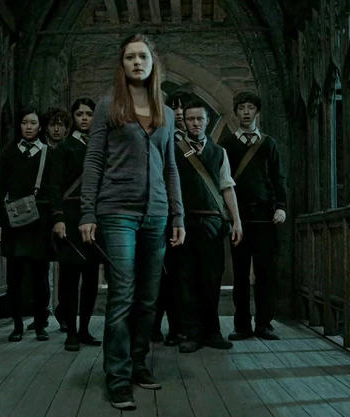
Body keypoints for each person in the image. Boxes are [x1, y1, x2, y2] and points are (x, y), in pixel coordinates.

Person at [78, 33, 185, 410]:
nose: (137, 62)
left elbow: (171, 167)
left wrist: (177, 214)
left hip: (156, 213)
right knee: (122, 293)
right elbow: (93, 161)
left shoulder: (165, 111)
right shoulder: (109, 106)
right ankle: (118, 376)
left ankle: (139, 364)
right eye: (130, 57)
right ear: (121, 64)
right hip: (116, 211)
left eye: (143, 56)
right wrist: (87, 211)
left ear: (153, 63)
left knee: (148, 297)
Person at [170, 99, 243, 353]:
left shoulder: (218, 152)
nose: (195, 123)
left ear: (207, 121)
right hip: (184, 223)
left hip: (213, 222)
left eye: (199, 119)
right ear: (184, 122)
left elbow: (227, 187)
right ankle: (192, 333)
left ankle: (213, 332)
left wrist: (236, 220)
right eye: (190, 119)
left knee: (212, 279)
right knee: (186, 279)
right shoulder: (174, 150)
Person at [218, 91, 288, 341]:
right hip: (239, 218)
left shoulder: (269, 144)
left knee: (265, 273)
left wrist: (281, 206)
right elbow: (222, 179)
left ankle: (264, 324)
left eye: (250, 107)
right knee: (239, 274)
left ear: (257, 111)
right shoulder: (227, 144)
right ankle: (242, 326)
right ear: (236, 112)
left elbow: (279, 177)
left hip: (265, 217)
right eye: (241, 108)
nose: (246, 112)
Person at [0, 108, 65, 342]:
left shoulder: (48, 154)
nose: (29, 127)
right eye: (24, 123)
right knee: (14, 276)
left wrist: (57, 219)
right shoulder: (9, 153)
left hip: (40, 222)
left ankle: (41, 323)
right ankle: (17, 325)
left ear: (40, 126)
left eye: (33, 123)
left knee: (40, 276)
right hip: (14, 221)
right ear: (19, 126)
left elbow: (54, 190)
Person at [52, 98, 103, 351]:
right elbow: (53, 186)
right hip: (70, 218)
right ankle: (71, 332)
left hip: (94, 217)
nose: (84, 118)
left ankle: (84, 330)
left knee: (91, 278)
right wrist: (58, 218)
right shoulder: (64, 148)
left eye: (89, 114)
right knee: (70, 278)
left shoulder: (101, 147)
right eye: (80, 114)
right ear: (73, 117)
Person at [28, 106, 73, 333]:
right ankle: (41, 313)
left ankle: (64, 312)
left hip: (65, 213)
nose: (57, 129)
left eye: (61, 125)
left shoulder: (70, 151)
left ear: (66, 128)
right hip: (42, 213)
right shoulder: (39, 151)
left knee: (67, 265)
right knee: (40, 265)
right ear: (45, 128)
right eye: (53, 125)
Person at [150, 94, 191, 346]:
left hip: (181, 217)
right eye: (173, 108)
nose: (178, 112)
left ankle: (177, 328)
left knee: (177, 277)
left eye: (181, 108)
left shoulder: (191, 144)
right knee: (156, 275)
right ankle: (153, 326)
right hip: (158, 213)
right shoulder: (159, 137)